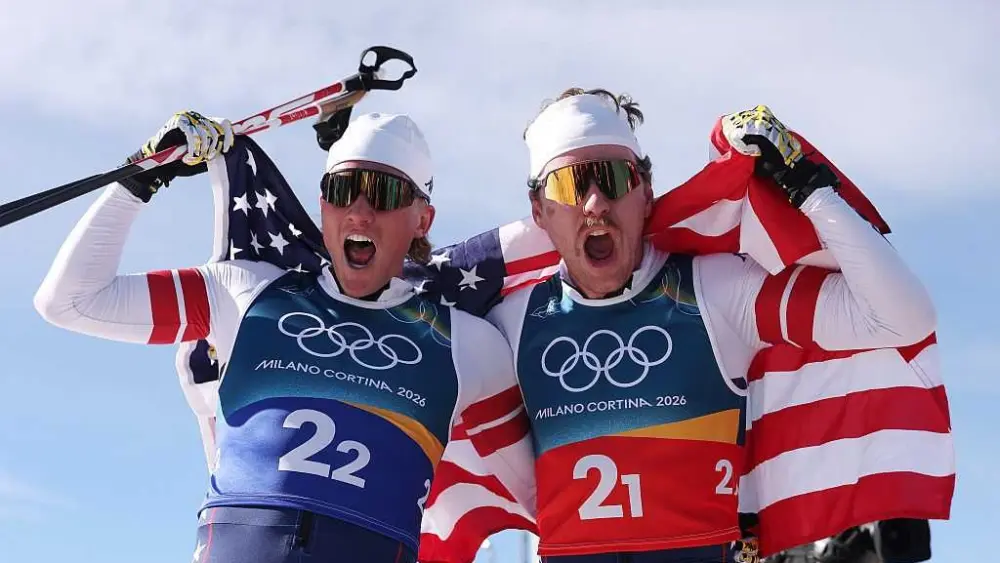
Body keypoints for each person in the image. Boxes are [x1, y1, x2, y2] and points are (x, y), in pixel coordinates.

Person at [33, 110, 523, 563]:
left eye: (385, 193)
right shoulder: (243, 290)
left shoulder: (466, 342)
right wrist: (140, 177)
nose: (359, 212)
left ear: (423, 219)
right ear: (322, 203)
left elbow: (541, 487)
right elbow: (71, 301)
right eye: (342, 188)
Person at [482, 90, 937, 562]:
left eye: (614, 177)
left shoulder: (714, 291)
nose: (596, 203)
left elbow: (900, 319)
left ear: (646, 191)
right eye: (569, 185)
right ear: (539, 211)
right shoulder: (510, 324)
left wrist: (808, 186)